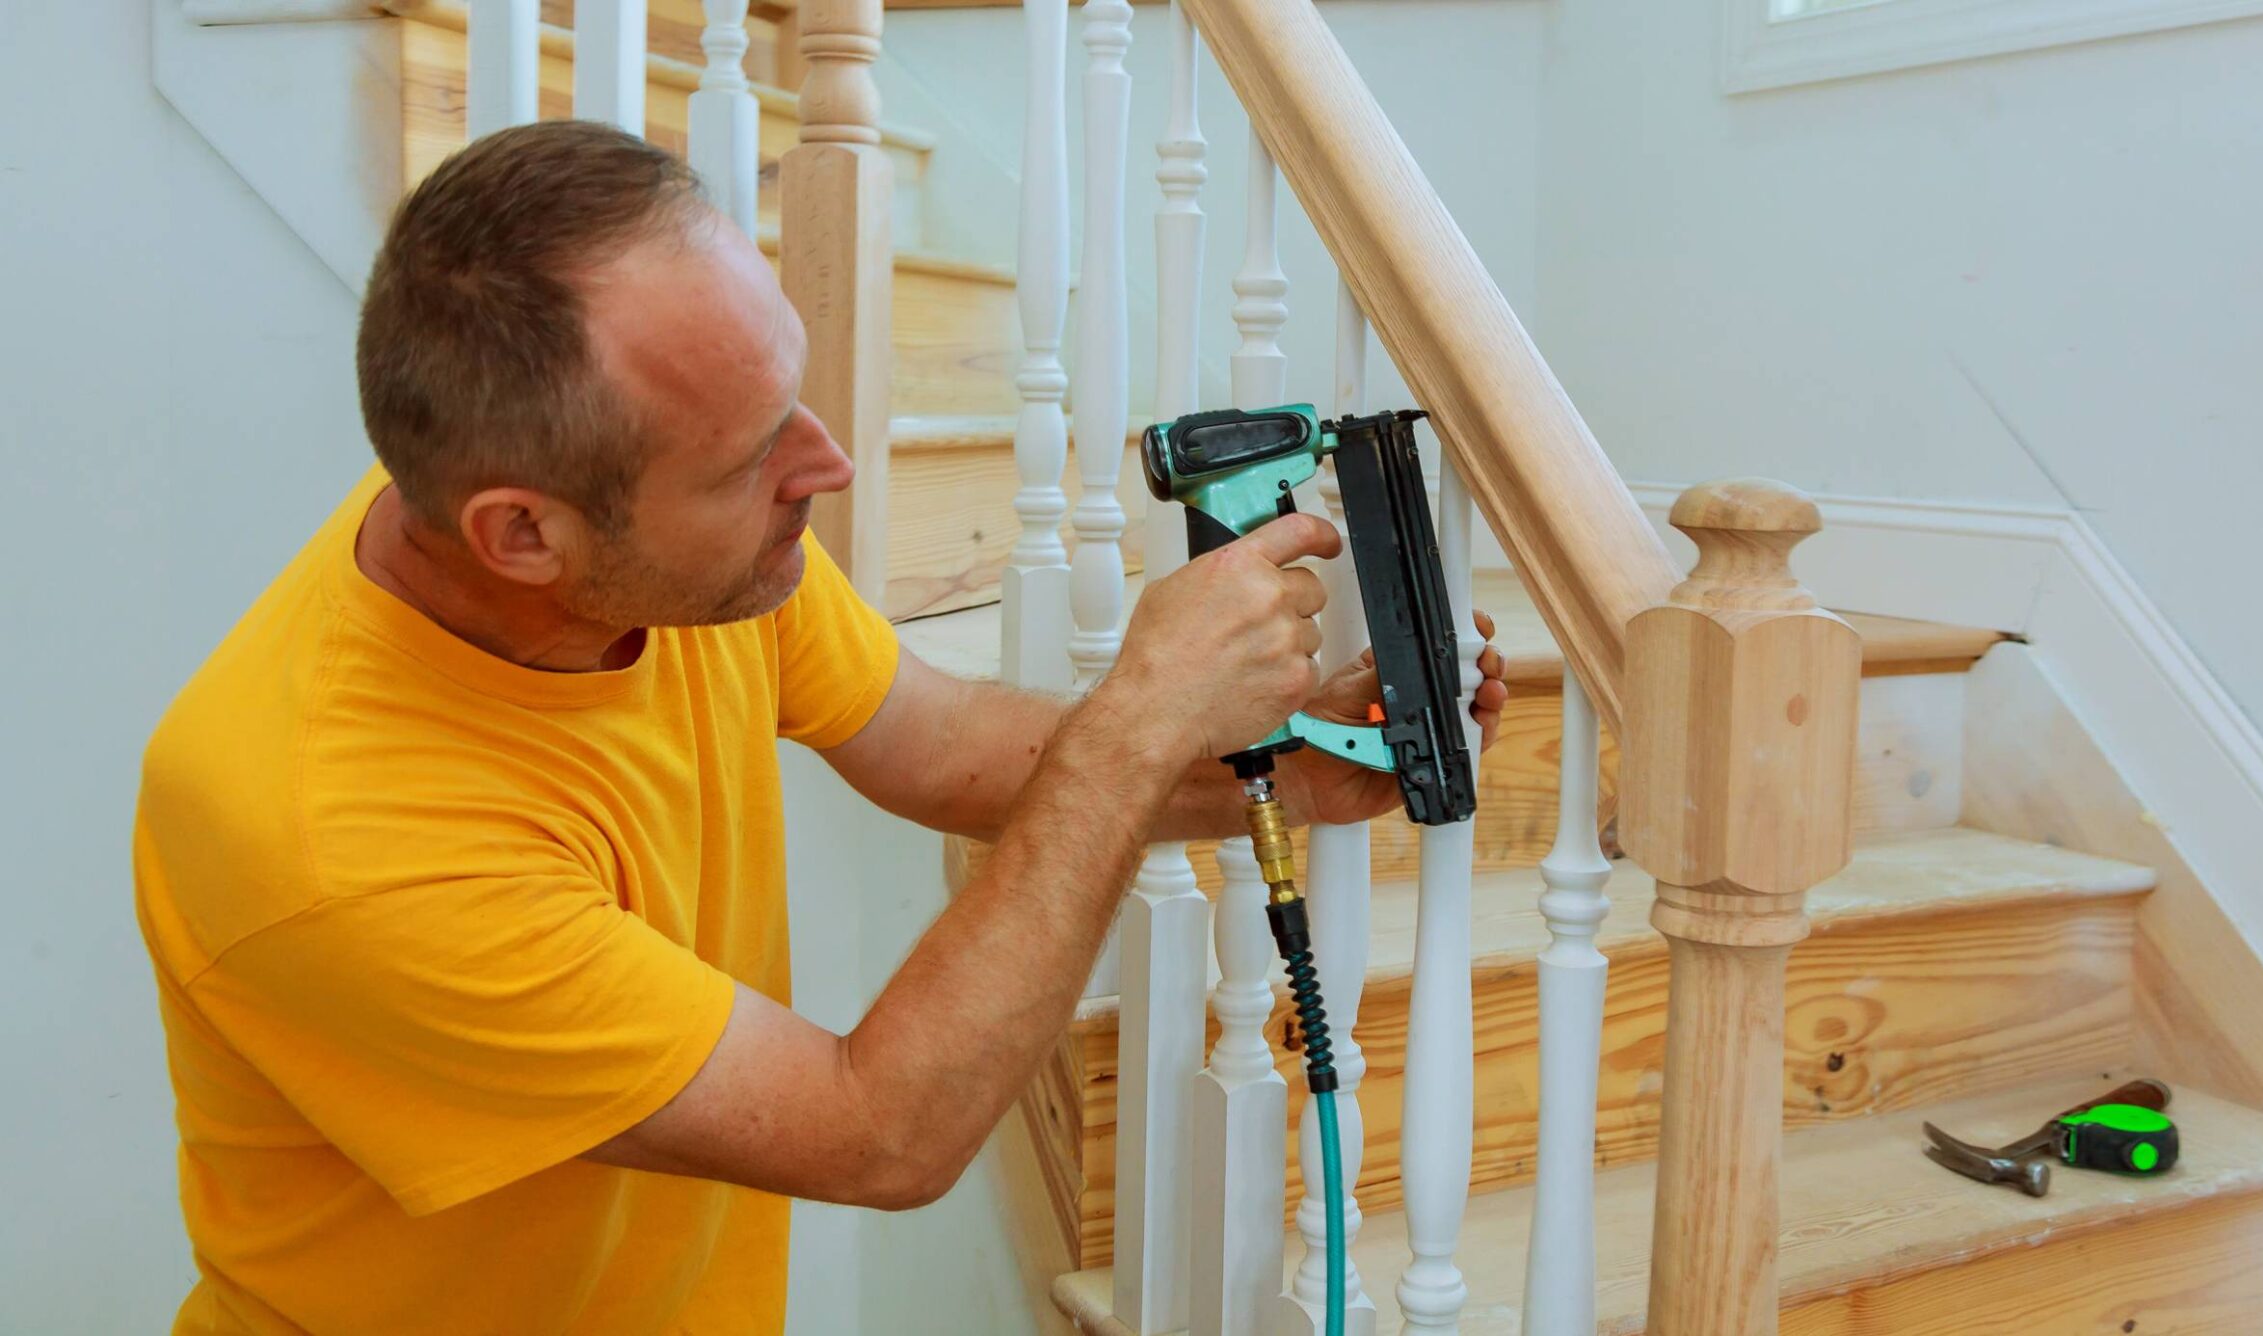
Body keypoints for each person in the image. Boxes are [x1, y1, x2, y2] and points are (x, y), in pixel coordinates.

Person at [132, 120, 1509, 1333]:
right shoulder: (335, 839)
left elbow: (941, 739)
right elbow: (882, 1129)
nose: (828, 463)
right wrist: (1136, 720)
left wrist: (1289, 772)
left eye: (788, 391)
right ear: (522, 535)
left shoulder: (692, 568)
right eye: (750, 458)